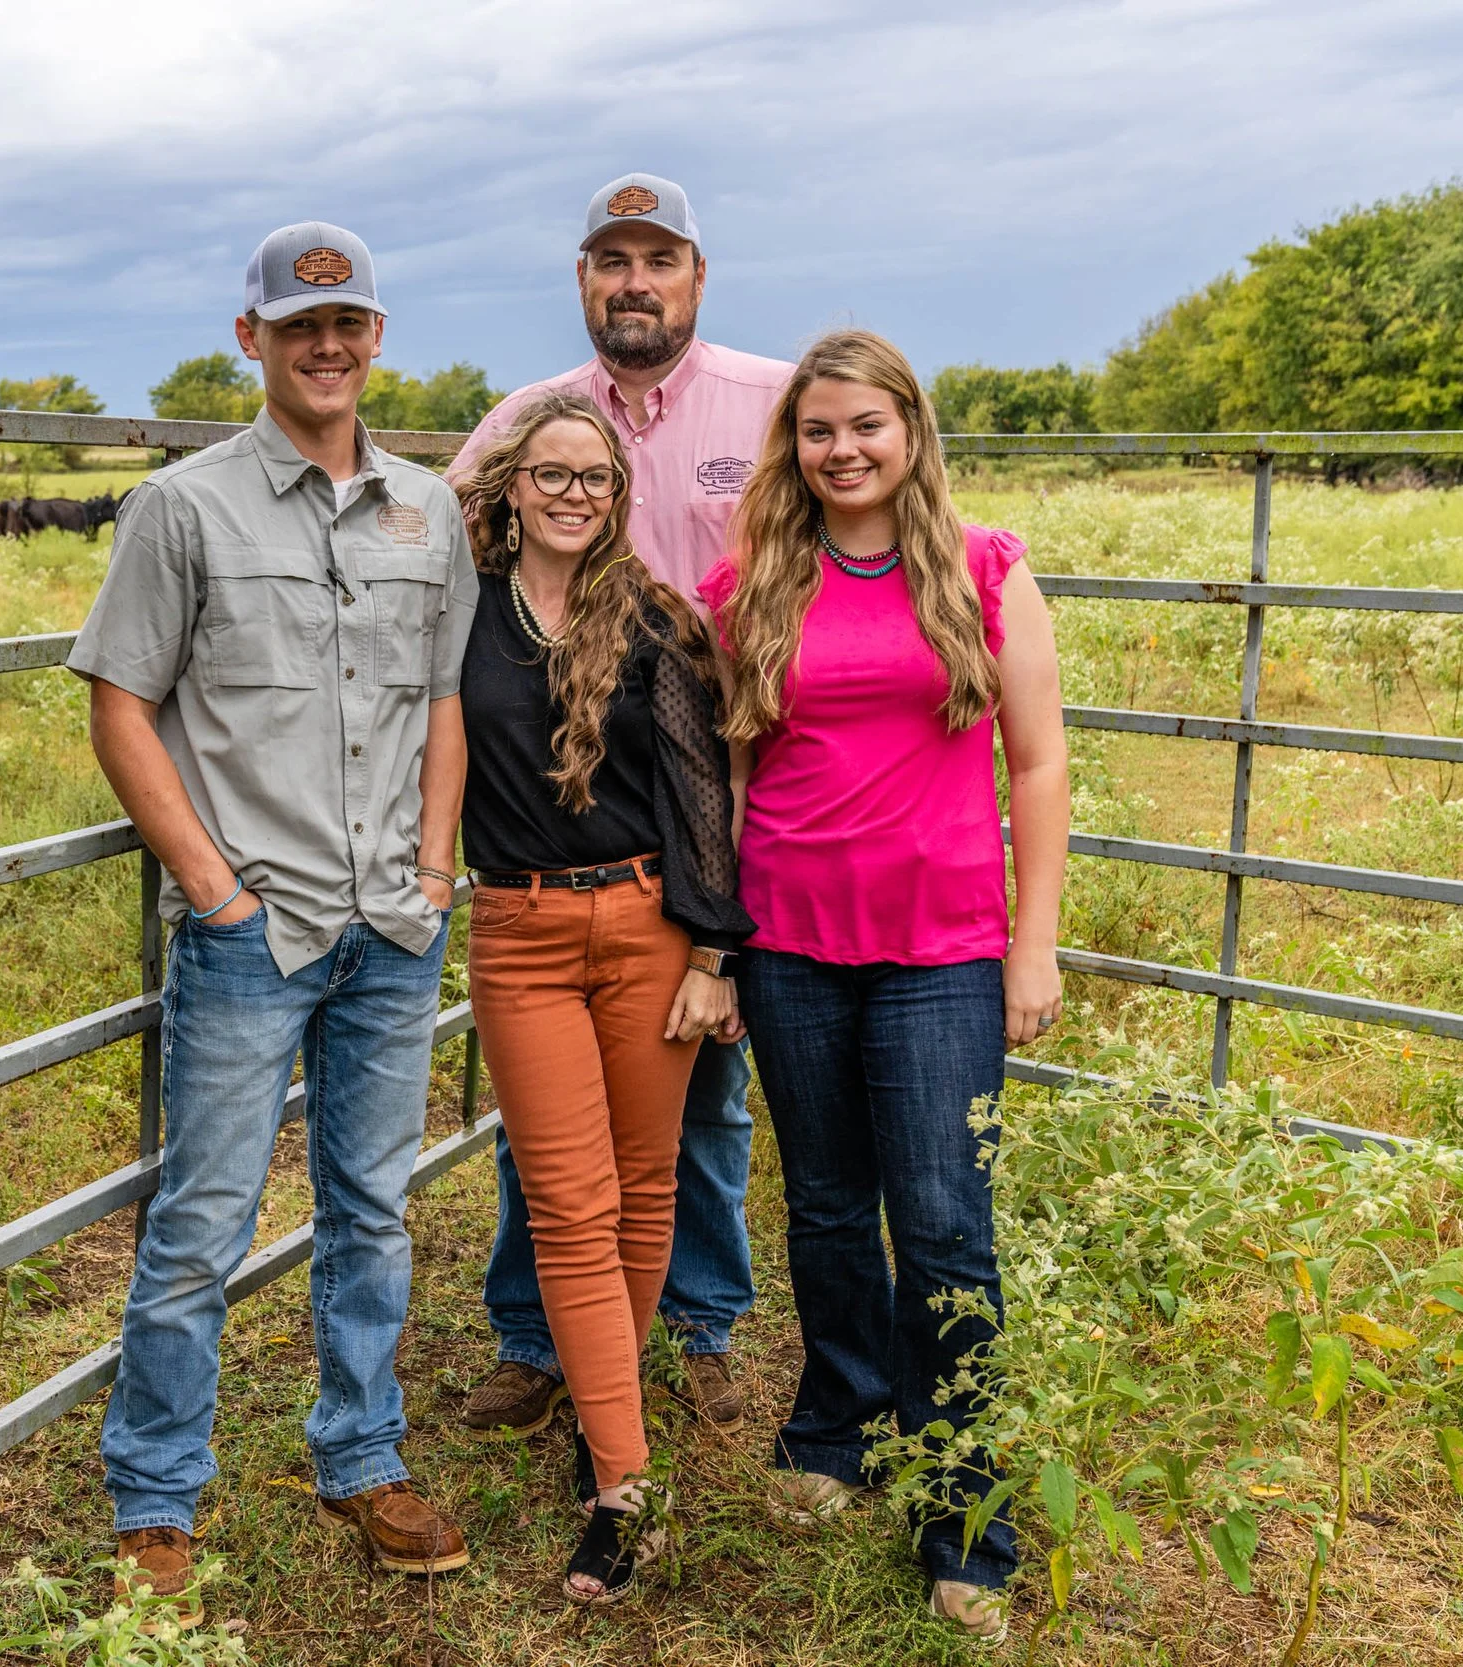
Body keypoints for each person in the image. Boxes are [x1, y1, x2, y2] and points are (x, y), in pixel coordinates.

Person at [69, 221, 478, 1609]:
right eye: (299, 324)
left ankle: (363, 1455)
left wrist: (433, 872)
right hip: (258, 925)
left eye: (350, 322)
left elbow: (443, 700)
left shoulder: (430, 511)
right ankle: (157, 1494)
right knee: (204, 1217)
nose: (327, 344)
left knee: (373, 1207)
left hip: (391, 925)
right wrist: (211, 884)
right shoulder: (181, 509)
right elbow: (121, 701)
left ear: (376, 336)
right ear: (250, 338)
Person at [698, 328, 1070, 1645]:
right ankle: (838, 1425)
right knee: (830, 1208)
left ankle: (965, 1508)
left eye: (866, 425)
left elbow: (1035, 763)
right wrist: (724, 946)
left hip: (942, 949)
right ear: (793, 447)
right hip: (793, 937)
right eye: (817, 430)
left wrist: (1034, 940)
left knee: (946, 1223)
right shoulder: (751, 582)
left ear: (910, 430)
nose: (842, 449)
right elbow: (737, 773)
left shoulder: (984, 568)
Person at [447, 172, 793, 1438]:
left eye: (657, 258)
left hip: (714, 782)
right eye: (610, 261)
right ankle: (540, 1337)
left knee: (698, 1094)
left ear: (697, 276)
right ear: (583, 281)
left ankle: (694, 1323)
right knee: (539, 1123)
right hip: (548, 829)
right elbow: (446, 559)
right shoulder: (521, 422)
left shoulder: (768, 407)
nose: (633, 281)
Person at [453, 389, 755, 1603]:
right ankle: (628, 1488)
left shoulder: (655, 622)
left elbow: (702, 793)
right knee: (569, 1202)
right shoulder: (461, 615)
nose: (574, 493)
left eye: (596, 478)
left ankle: (605, 1426)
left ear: (616, 495)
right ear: (511, 486)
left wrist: (711, 956)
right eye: (552, 474)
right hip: (518, 930)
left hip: (646, 926)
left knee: (644, 1188)